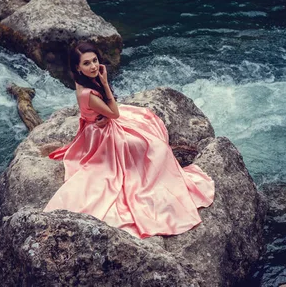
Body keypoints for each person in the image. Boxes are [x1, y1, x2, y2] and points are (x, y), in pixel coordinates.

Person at [43, 41, 215, 239]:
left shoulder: (83, 81)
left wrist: (104, 115)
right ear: (77, 67)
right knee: (150, 147)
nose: (93, 67)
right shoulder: (87, 92)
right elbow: (114, 113)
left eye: (95, 61)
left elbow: (108, 112)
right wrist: (106, 85)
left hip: (99, 125)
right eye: (86, 63)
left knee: (148, 122)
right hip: (101, 135)